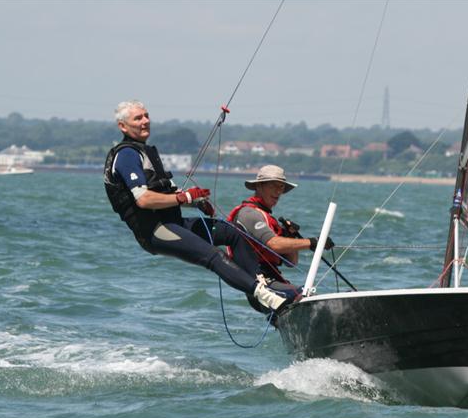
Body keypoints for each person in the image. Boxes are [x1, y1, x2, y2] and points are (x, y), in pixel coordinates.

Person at [103, 100, 298, 312]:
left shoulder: (145, 151)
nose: (145, 121)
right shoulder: (126, 155)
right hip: (155, 231)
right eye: (138, 118)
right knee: (214, 256)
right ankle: (265, 297)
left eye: (147, 116)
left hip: (174, 222)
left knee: (234, 233)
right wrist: (183, 198)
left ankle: (262, 285)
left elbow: (165, 195)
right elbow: (143, 200)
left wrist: (195, 201)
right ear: (123, 126)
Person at [227, 165, 334, 282]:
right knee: (299, 296)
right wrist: (313, 242)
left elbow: (291, 262)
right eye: (273, 186)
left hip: (271, 277)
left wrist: (290, 235)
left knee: (303, 294)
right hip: (257, 280)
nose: (278, 191)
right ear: (258, 186)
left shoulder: (266, 216)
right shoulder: (249, 213)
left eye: (281, 187)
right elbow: (274, 244)